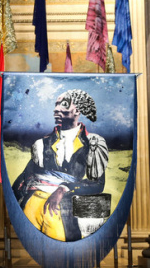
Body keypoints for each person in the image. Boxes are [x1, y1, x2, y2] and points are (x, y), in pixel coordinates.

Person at [11, 89, 108, 242]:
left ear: (78, 109)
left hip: (63, 210)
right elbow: (24, 177)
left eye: (63, 104)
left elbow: (97, 184)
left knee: (63, 254)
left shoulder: (93, 143)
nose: (56, 109)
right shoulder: (41, 144)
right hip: (31, 207)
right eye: (56, 105)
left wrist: (64, 188)